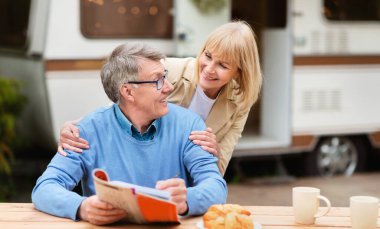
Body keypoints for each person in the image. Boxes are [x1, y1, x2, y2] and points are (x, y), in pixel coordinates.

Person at [32, 43, 227, 225]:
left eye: (165, 76)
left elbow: (216, 186)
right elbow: (45, 188)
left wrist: (187, 199)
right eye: (158, 80)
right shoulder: (86, 131)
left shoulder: (189, 125)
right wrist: (81, 207)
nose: (169, 87)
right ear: (128, 92)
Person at [58, 20, 262, 175]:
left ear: (238, 72)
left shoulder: (241, 100)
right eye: (208, 56)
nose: (209, 68)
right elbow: (124, 103)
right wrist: (79, 127)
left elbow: (219, 168)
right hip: (143, 168)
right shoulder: (166, 70)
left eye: (223, 65)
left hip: (185, 180)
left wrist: (215, 151)